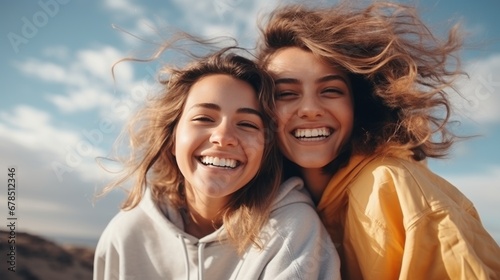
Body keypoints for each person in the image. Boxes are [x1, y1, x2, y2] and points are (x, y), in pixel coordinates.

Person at [257, 2, 500, 279]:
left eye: (331, 90)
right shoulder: (280, 202)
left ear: (356, 105)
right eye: (286, 94)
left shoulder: (389, 184)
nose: (310, 108)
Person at [93, 45, 340, 280]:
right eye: (203, 118)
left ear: (266, 151)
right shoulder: (126, 235)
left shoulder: (292, 230)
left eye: (247, 124)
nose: (223, 138)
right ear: (171, 139)